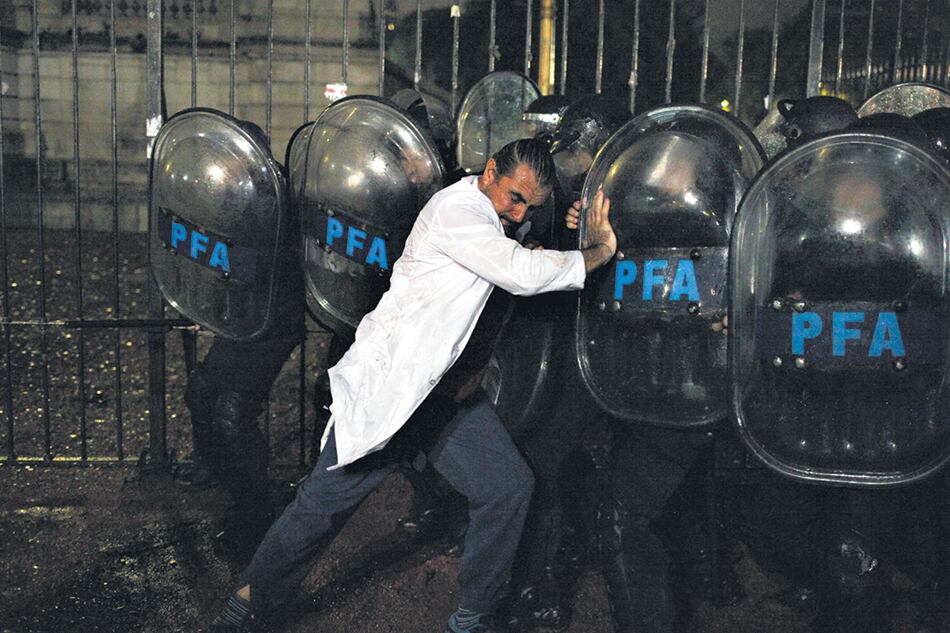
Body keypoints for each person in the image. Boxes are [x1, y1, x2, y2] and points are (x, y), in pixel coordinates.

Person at [206, 138, 618, 633]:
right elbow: (521, 273)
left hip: (445, 398)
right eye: (514, 197)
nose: (519, 212)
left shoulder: (497, 215)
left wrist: (566, 220)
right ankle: (246, 604)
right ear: (489, 172)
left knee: (506, 487)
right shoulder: (457, 212)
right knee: (322, 506)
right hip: (392, 393)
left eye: (530, 205)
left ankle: (472, 617)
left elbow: (523, 242)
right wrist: (600, 250)